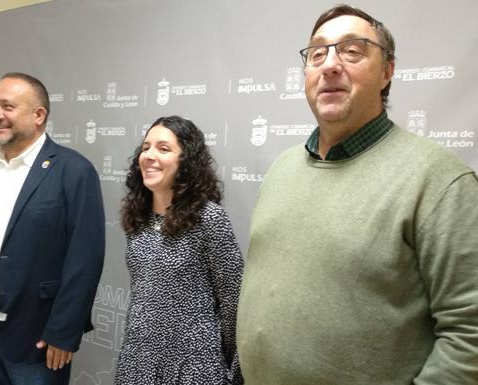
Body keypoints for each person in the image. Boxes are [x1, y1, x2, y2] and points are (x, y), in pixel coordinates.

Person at [237, 4, 478, 385]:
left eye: (352, 51)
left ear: (387, 71)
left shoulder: (438, 180)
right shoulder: (282, 169)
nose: (331, 65)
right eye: (318, 53)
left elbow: (470, 336)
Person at [0, 72, 105, 385]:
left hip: (37, 338)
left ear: (39, 115)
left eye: (7, 107)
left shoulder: (74, 171)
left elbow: (85, 259)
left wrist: (64, 331)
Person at [115, 116, 244, 385]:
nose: (149, 156)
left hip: (193, 368)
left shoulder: (209, 218)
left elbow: (234, 304)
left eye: (163, 149)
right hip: (139, 364)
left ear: (186, 162)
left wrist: (233, 375)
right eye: (145, 147)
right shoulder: (138, 220)